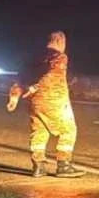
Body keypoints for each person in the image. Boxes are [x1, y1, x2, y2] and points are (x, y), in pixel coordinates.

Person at [6, 30, 85, 178]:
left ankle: (39, 166)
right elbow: (50, 73)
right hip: (54, 100)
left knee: (39, 131)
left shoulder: (33, 59)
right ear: (60, 42)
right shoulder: (59, 57)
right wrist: (36, 84)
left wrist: (15, 96)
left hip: (34, 102)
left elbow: (20, 78)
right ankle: (63, 165)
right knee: (69, 129)